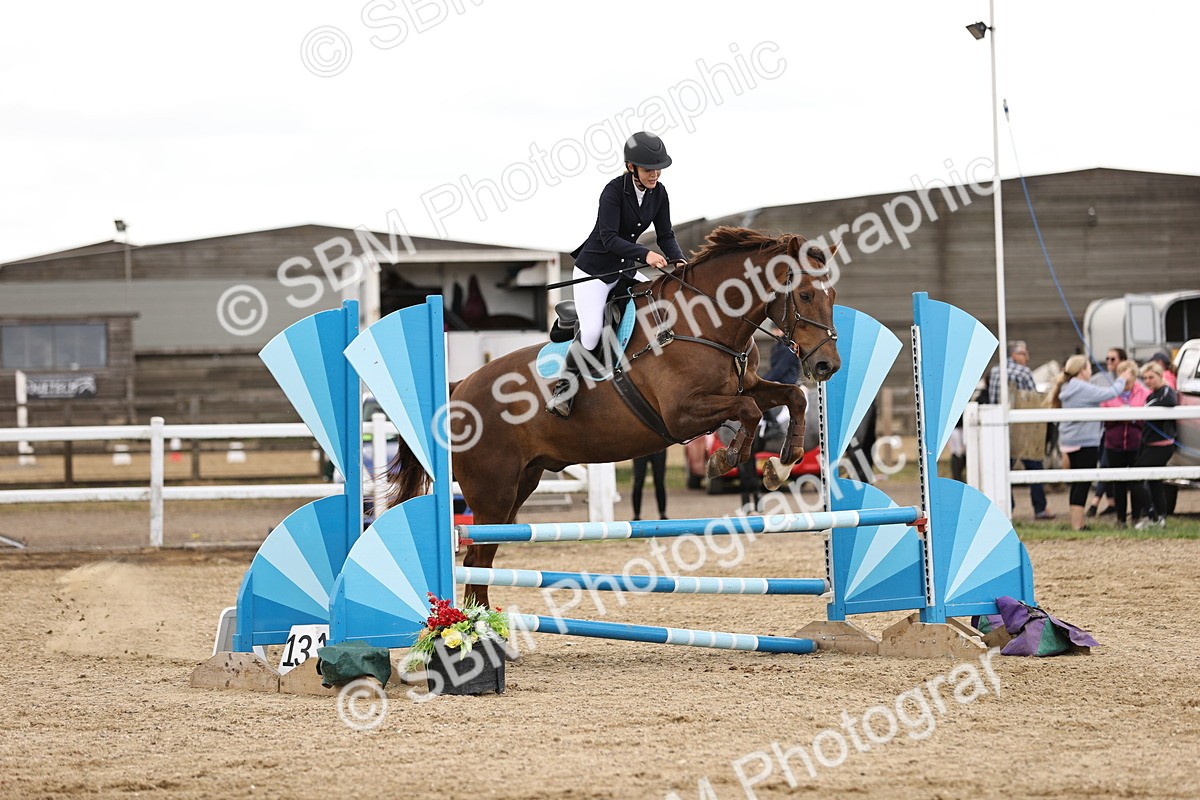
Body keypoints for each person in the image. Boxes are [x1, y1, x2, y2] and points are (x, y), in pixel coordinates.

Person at [547, 131, 686, 417]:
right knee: (592, 333)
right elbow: (609, 238)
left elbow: (666, 234)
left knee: (658, 304)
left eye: (658, 168)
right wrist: (645, 254)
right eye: (649, 169)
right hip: (595, 271)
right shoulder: (612, 192)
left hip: (624, 270)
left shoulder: (659, 193)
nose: (655, 174)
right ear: (631, 167)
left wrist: (679, 260)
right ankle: (564, 389)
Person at [1046, 355, 1136, 531]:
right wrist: (1122, 379)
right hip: (1084, 440)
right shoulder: (1081, 387)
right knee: (1083, 482)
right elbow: (1109, 394)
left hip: (1070, 440)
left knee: (1077, 483)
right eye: (1089, 367)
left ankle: (1077, 523)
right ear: (1082, 370)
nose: (1091, 371)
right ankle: (1078, 525)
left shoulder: (1068, 386)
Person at [987, 341, 1054, 520]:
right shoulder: (1023, 372)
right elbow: (1033, 399)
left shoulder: (995, 370)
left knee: (1003, 467)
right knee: (1033, 466)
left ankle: (1008, 506)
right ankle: (1040, 508)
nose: (1027, 357)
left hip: (999, 426)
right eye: (1024, 353)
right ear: (1014, 355)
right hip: (1022, 428)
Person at [1098, 359, 1150, 527]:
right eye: (1123, 378)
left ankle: (1136, 517)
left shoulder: (1144, 393)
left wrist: (1133, 418)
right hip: (1114, 444)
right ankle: (1120, 519)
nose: (1126, 383)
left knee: (1136, 482)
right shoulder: (1110, 393)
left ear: (1135, 378)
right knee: (1118, 483)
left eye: (1129, 379)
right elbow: (1103, 415)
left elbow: (1148, 418)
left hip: (1136, 443)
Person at [1131, 361, 1179, 530]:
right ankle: (1160, 519)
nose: (1148, 381)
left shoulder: (1166, 391)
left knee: (1135, 477)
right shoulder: (1152, 394)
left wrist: (1143, 408)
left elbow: (1170, 401)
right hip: (1149, 443)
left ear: (1160, 376)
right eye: (1145, 378)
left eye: (1151, 377)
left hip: (1161, 445)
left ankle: (1152, 515)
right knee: (1154, 482)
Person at [1084, 347, 1129, 517]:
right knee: (1106, 463)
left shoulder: (1128, 379)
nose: (1109, 362)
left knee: (1106, 464)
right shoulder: (1097, 379)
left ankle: (1095, 502)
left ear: (1122, 361)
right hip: (1100, 429)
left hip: (1118, 430)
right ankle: (1111, 502)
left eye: (1113, 359)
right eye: (1107, 359)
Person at [631, 449, 668, 520]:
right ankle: (636, 514)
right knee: (638, 481)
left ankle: (662, 513)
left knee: (659, 480)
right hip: (640, 447)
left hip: (658, 446)